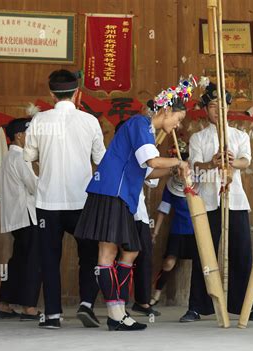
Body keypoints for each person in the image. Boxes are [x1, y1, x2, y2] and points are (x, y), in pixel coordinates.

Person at [74, 79, 193, 331]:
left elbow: (147, 172)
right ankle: (116, 314)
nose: (177, 125)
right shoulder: (141, 123)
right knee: (108, 254)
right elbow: (151, 160)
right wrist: (177, 163)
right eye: (178, 118)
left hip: (118, 196)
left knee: (130, 251)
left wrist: (172, 171)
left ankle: (117, 311)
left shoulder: (145, 129)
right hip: (111, 193)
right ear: (165, 111)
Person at [24, 69, 106, 329]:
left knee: (49, 258)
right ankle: (87, 305)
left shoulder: (39, 120)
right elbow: (101, 160)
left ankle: (52, 315)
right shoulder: (90, 121)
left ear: (51, 94)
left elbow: (29, 156)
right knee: (90, 255)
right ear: (77, 93)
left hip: (48, 202)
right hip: (83, 201)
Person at [182, 82, 253, 323]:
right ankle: (197, 306)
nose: (217, 110)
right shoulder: (198, 138)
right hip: (207, 202)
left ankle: (248, 307)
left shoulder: (239, 135)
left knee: (242, 254)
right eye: (212, 106)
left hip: (235, 200)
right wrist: (212, 163)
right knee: (204, 254)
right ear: (205, 109)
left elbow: (246, 161)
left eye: (222, 105)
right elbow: (195, 168)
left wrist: (231, 161)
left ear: (229, 107)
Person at [0, 117, 41, 321]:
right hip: (27, 216)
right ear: (19, 136)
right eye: (29, 134)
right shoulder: (21, 157)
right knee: (32, 261)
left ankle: (4, 305)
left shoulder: (8, 157)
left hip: (16, 218)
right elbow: (35, 187)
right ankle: (29, 308)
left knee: (18, 261)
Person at [150, 143, 198, 306]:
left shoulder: (199, 183)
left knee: (202, 264)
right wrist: (155, 232)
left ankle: (202, 301)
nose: (181, 172)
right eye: (178, 168)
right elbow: (164, 209)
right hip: (178, 229)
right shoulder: (170, 186)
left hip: (197, 230)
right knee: (169, 262)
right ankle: (156, 294)